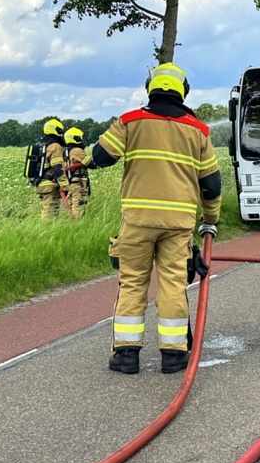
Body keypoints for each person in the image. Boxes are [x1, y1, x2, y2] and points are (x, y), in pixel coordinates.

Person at [80, 62, 222, 375]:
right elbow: (211, 185)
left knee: (133, 283)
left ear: (150, 89)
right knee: (172, 285)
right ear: (183, 92)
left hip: (137, 221)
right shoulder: (199, 131)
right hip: (178, 225)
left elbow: (102, 156)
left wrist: (87, 161)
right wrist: (210, 220)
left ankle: (126, 355)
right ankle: (173, 356)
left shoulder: (130, 121)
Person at [36, 118, 70, 218]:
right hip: (50, 185)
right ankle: (45, 228)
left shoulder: (43, 145)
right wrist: (65, 187)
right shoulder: (55, 146)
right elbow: (58, 168)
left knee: (47, 211)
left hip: (41, 184)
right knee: (49, 215)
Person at [63, 127, 90, 219]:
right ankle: (78, 223)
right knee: (78, 205)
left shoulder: (65, 151)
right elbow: (90, 163)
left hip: (69, 183)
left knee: (71, 205)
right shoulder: (77, 151)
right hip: (78, 183)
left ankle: (72, 222)